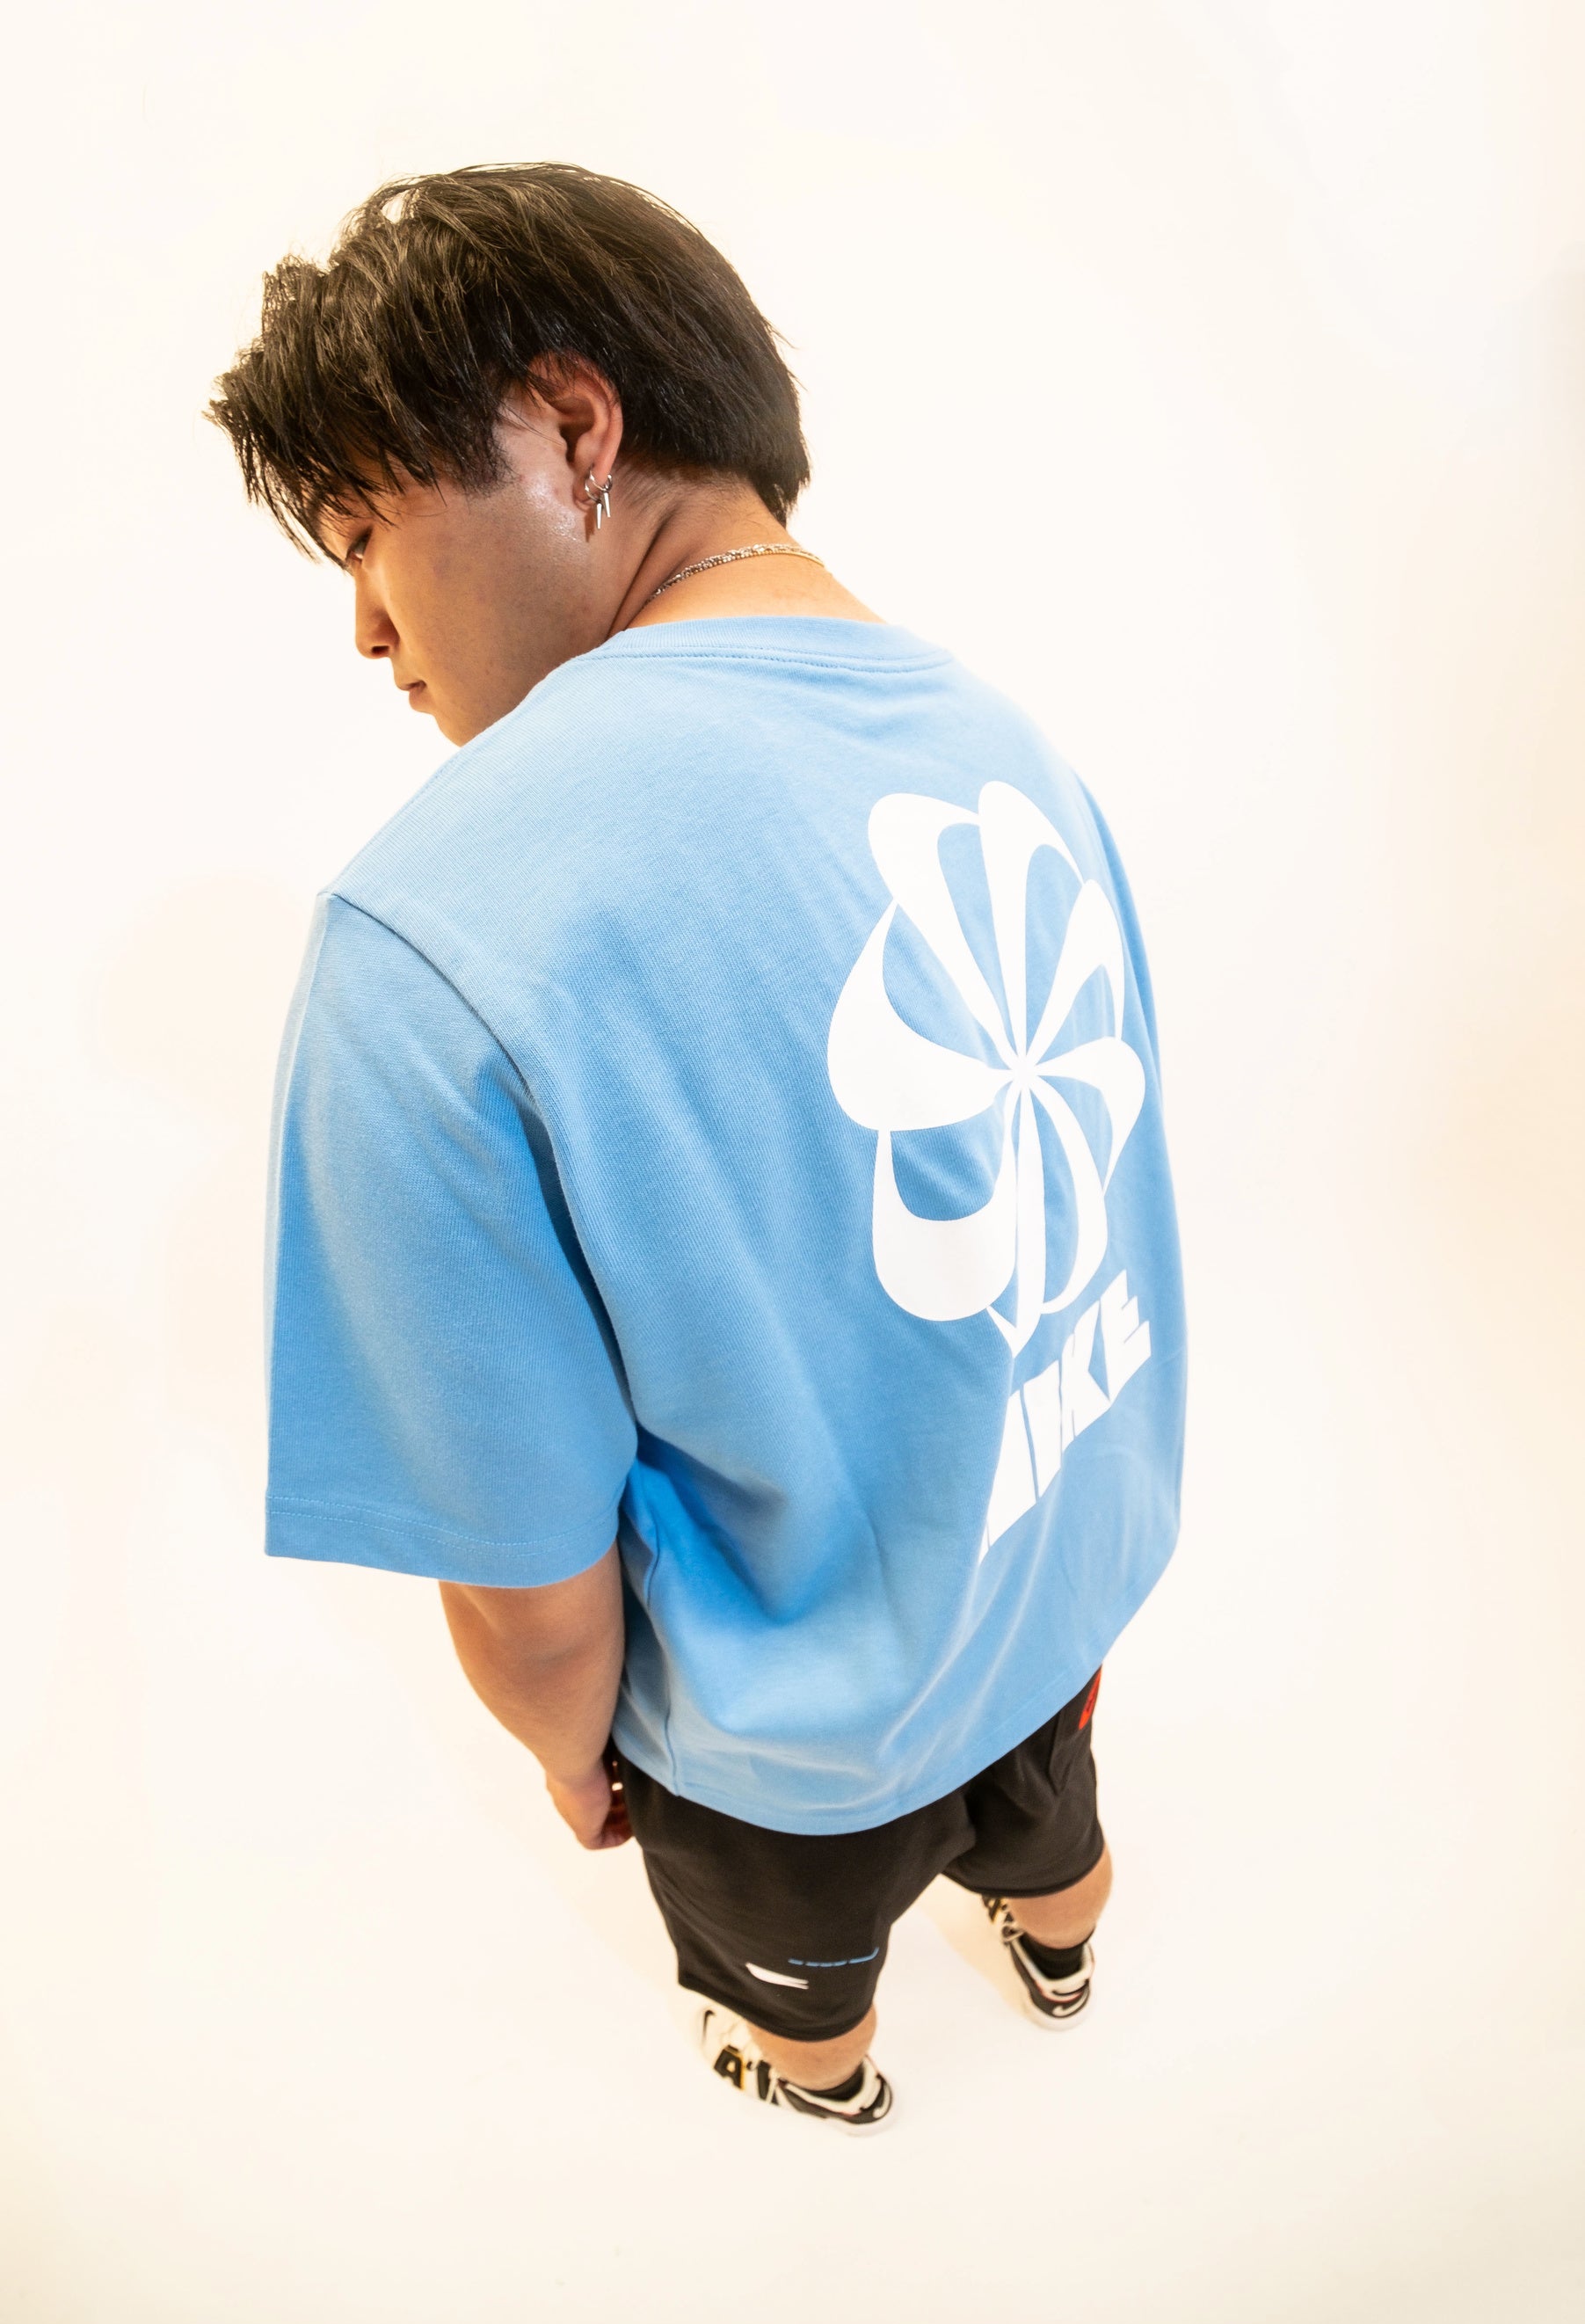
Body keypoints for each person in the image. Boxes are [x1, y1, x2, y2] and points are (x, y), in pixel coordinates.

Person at [210, 164, 1186, 2131]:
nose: (364, 630)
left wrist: (573, 1751)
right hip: (1062, 1587)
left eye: (364, 533)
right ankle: (1063, 1946)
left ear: (571, 428)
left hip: (784, 1748)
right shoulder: (1006, 737)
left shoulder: (432, 940)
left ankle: (820, 2078)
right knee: (1055, 1826)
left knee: (794, 1969)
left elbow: (530, 1580)